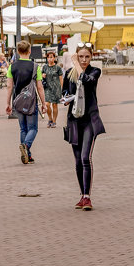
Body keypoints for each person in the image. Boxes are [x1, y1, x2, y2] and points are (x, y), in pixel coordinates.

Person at [63, 42, 105, 210]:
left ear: (91, 57)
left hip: (89, 120)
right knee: (77, 161)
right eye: (81, 57)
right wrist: (66, 98)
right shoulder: (68, 74)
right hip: (74, 120)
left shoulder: (95, 71)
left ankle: (87, 197)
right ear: (77, 56)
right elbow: (64, 93)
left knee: (85, 158)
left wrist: (76, 66)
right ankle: (82, 194)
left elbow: (87, 81)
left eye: (87, 56)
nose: (84, 59)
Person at [6, 39, 45, 164]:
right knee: (33, 128)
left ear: (17, 51)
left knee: (23, 129)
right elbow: (39, 87)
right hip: (31, 102)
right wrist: (44, 103)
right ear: (29, 51)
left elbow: (9, 87)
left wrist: (8, 103)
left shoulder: (12, 67)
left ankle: (27, 155)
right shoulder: (35, 67)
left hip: (17, 101)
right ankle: (26, 146)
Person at [42, 50, 63, 128]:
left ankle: (54, 121)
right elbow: (41, 76)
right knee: (47, 104)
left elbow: (61, 79)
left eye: (51, 57)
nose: (50, 59)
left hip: (56, 88)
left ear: (54, 58)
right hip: (47, 88)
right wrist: (42, 75)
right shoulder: (44, 67)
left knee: (54, 105)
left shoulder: (58, 68)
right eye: (48, 57)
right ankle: (50, 119)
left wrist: (62, 89)